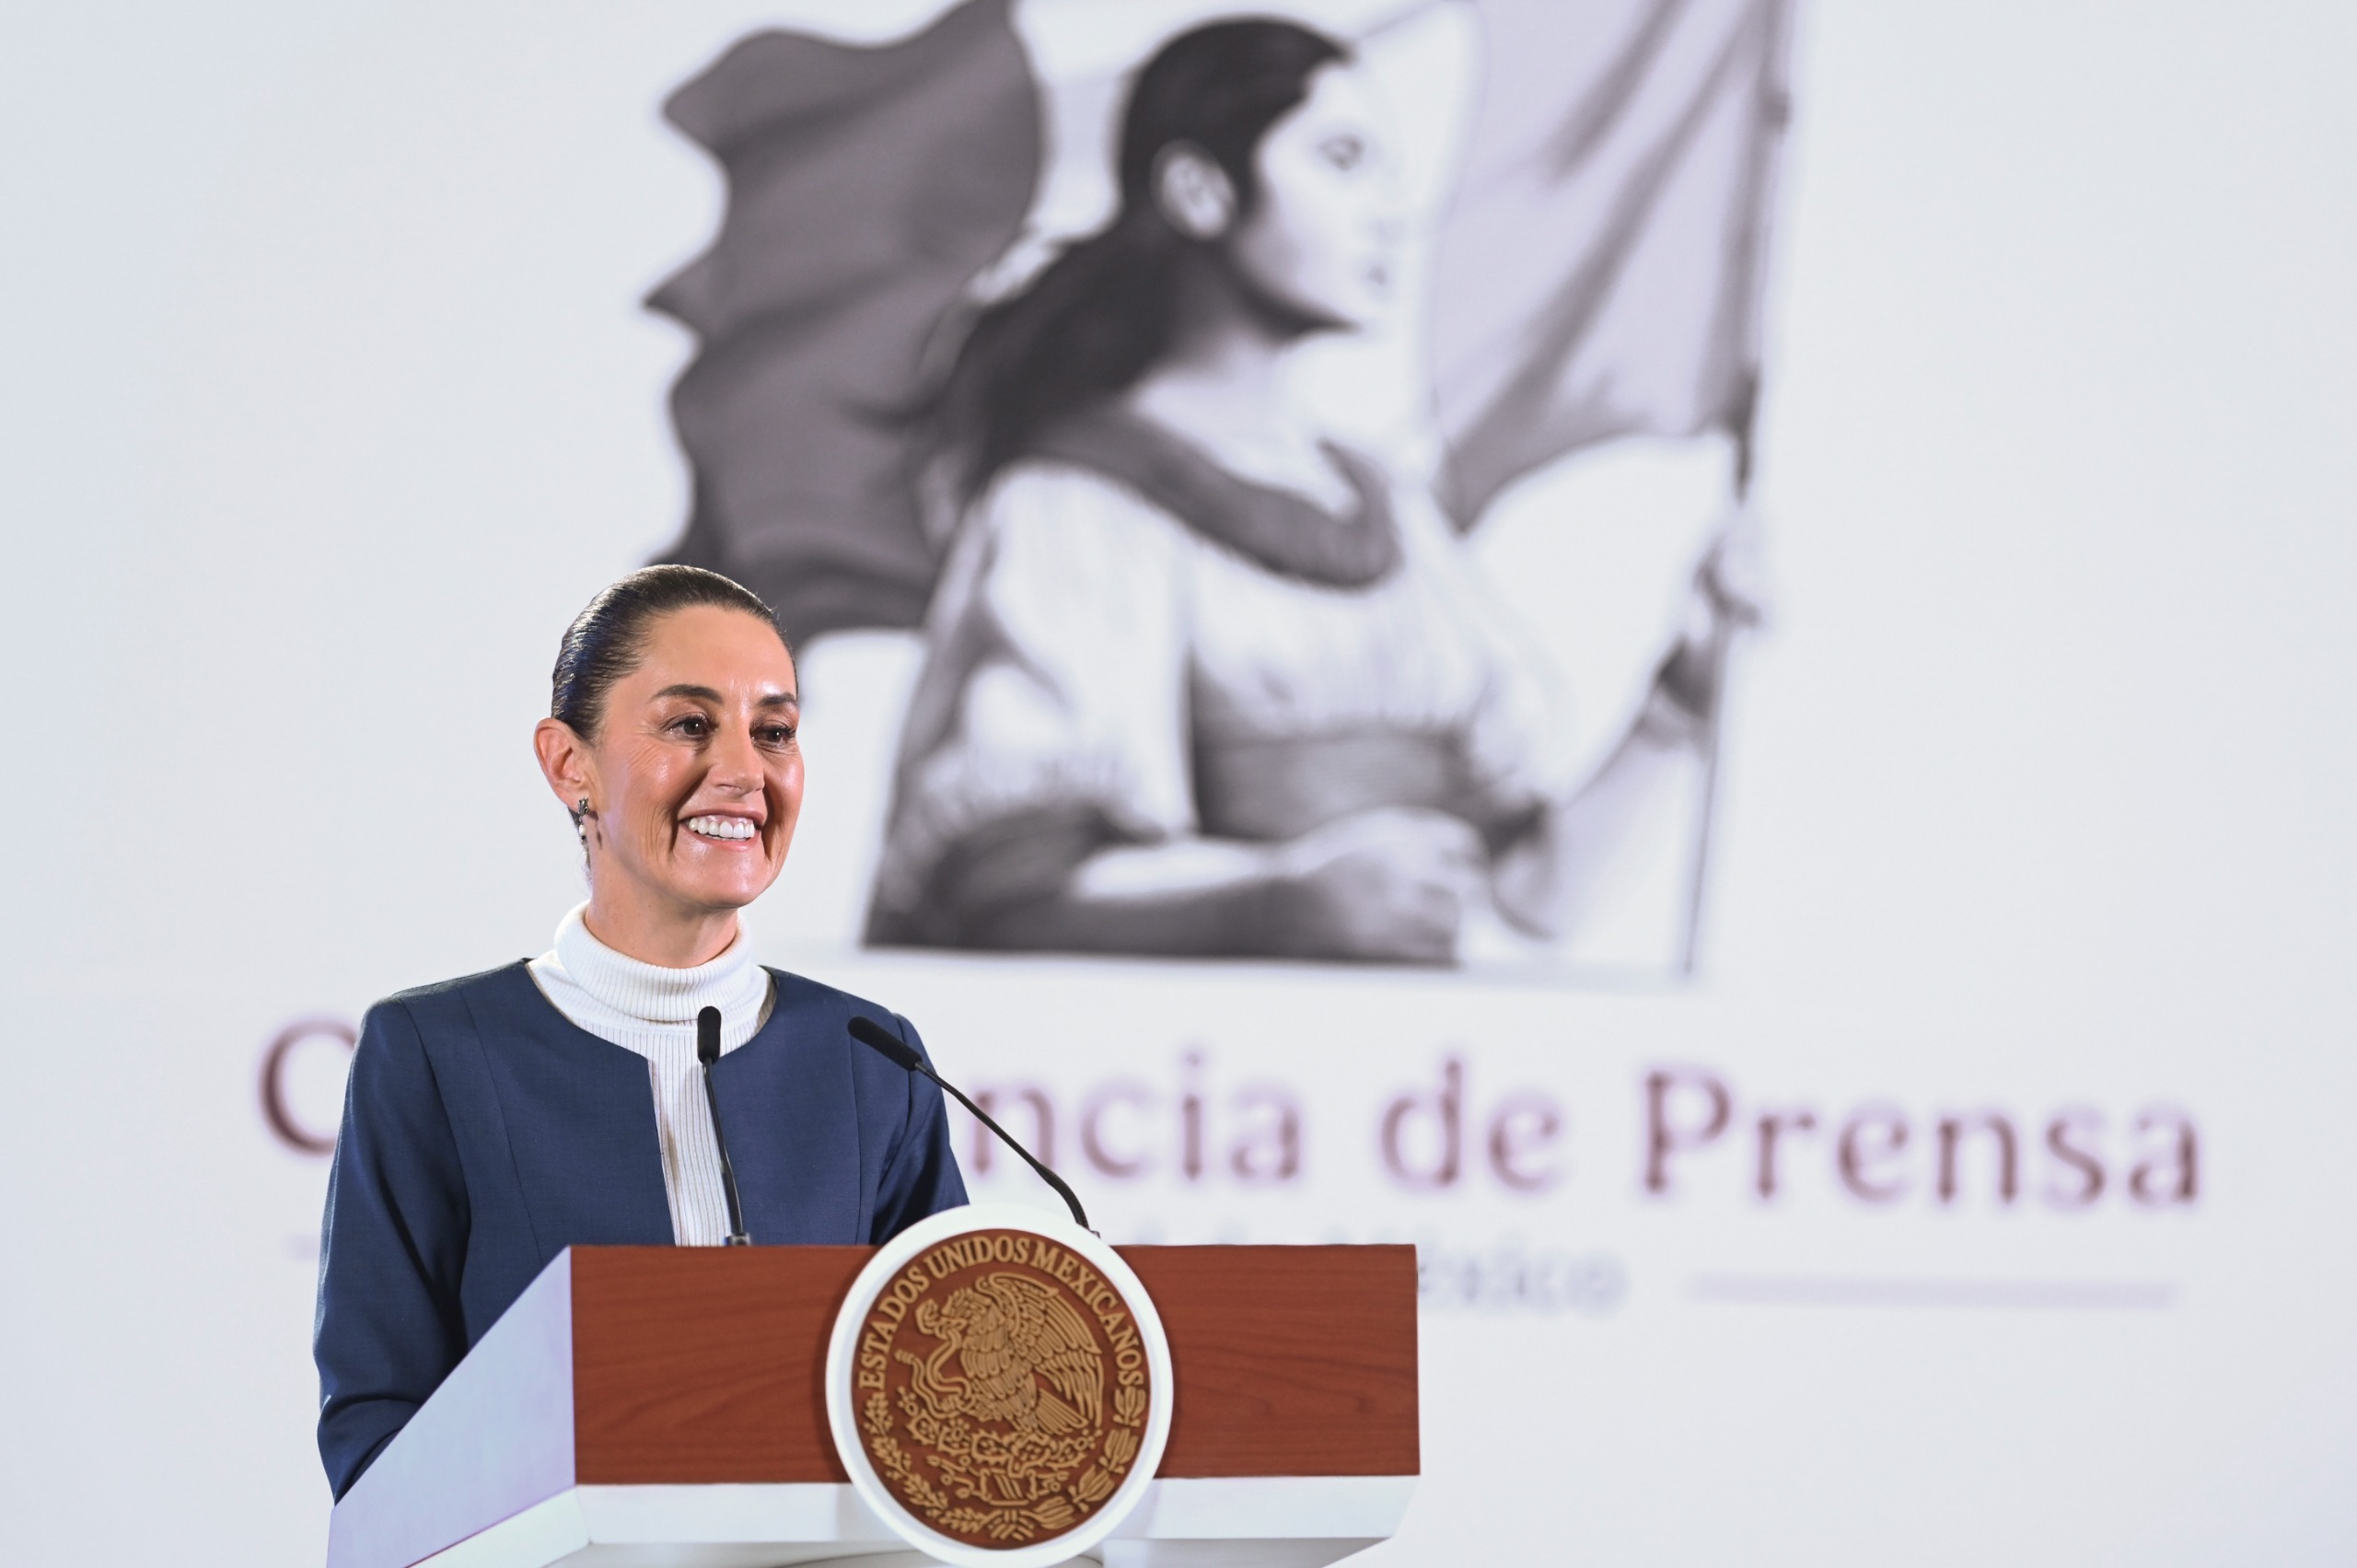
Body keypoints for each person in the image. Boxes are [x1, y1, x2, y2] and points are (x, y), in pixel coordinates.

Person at [865, 18, 1720, 964]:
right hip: (1176, 1090)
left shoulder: (1389, 514)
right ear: (1200, 190)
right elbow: (1008, 889)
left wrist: (1675, 705)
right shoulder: (1074, 506)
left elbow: (1524, 899)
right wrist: (1276, 901)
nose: (1388, 212)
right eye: (1341, 159)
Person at [312, 565, 967, 1500]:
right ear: (567, 763)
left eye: (774, 731)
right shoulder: (437, 1053)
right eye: (689, 724)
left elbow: (952, 1404)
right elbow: (381, 1424)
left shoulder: (871, 1057)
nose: (744, 771)